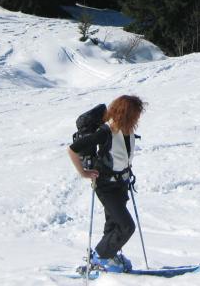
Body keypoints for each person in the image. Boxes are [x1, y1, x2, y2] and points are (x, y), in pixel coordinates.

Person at [68, 94, 146, 273]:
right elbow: (73, 150)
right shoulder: (105, 132)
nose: (138, 118)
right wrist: (83, 172)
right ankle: (101, 257)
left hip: (121, 184)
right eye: (135, 114)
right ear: (125, 113)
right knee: (127, 226)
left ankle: (106, 259)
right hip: (106, 186)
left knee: (114, 225)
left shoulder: (127, 130)